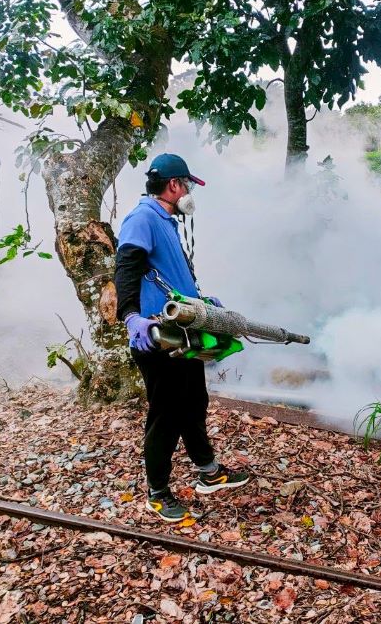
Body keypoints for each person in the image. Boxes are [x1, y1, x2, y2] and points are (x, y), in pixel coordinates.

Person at [114, 153, 249, 522]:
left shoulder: (167, 221)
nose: (190, 191)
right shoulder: (143, 217)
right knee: (166, 413)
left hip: (183, 330)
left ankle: (209, 472)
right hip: (157, 336)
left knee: (194, 401)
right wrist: (130, 317)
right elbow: (126, 266)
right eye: (187, 184)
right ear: (173, 185)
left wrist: (200, 302)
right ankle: (157, 493)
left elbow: (166, 276)